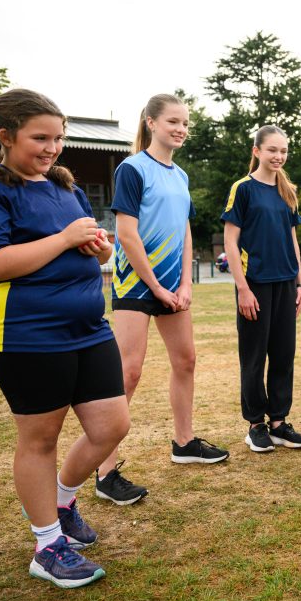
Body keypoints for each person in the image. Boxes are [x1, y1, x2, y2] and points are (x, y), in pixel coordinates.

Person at [0, 88, 129, 588]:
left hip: (88, 328)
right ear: (5, 136)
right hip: (26, 333)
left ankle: (63, 501)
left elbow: (87, 253)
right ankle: (47, 545)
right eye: (40, 138)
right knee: (41, 438)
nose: (52, 148)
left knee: (111, 426)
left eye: (59, 138)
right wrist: (66, 239)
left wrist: (97, 249)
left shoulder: (66, 188)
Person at [98, 93, 228, 506]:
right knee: (129, 372)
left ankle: (184, 443)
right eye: (173, 121)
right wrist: (155, 287)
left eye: (185, 123)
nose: (181, 129)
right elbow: (127, 234)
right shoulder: (132, 169)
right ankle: (104, 472)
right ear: (151, 122)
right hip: (136, 285)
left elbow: (185, 230)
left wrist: (185, 284)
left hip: (173, 285)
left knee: (185, 360)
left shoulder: (181, 175)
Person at [222, 125, 301, 453]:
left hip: (286, 283)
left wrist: (299, 282)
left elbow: (292, 239)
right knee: (254, 356)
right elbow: (231, 241)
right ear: (257, 151)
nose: (278, 156)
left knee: (284, 355)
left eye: (283, 151)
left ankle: (279, 423)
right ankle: (256, 424)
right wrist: (242, 288)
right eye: (272, 150)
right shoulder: (242, 189)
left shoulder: (287, 191)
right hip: (254, 283)